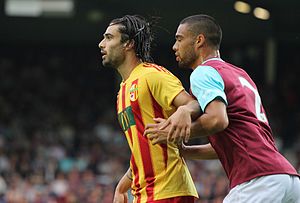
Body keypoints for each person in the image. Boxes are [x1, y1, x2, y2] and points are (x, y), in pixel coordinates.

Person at [144, 14, 300, 202]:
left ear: (199, 40)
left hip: (258, 180)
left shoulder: (203, 73)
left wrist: (173, 132)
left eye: (179, 39)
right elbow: (233, 140)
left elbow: (218, 119)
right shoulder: (240, 74)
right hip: (286, 178)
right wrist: (186, 151)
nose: (174, 46)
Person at [98, 15, 200, 203]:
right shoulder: (122, 91)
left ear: (128, 44)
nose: (101, 44)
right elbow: (142, 149)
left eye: (109, 37)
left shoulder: (152, 75)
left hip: (169, 191)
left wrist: (184, 111)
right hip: (143, 194)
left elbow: (194, 104)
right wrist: (122, 186)